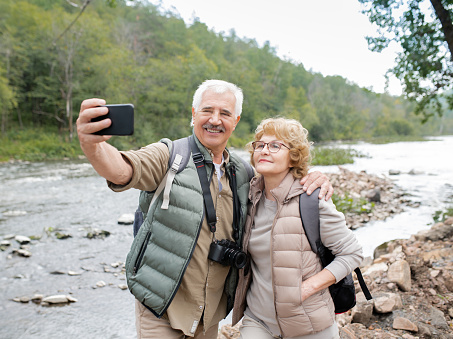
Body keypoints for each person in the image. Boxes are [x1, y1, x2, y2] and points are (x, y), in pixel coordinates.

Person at [76, 80, 333, 339]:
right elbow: (122, 170)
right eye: (207, 110)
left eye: (225, 114)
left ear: (236, 120)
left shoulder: (244, 173)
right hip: (161, 308)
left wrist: (312, 178)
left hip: (210, 315)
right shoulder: (170, 155)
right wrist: (92, 146)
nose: (215, 120)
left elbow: (282, 184)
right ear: (193, 113)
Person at [231, 117, 364, 339]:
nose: (265, 150)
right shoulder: (248, 196)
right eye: (260, 145)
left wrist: (307, 288)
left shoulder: (313, 200)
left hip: (308, 324)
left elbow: (352, 253)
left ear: (293, 157)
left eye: (275, 146)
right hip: (258, 321)